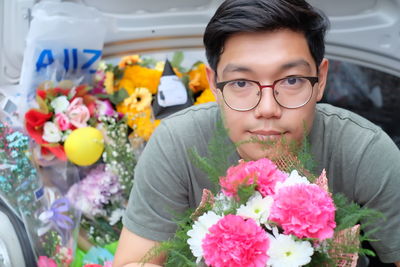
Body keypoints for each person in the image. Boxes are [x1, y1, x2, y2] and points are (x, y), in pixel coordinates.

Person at [113, 0, 400, 266]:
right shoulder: (178, 144)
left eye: (291, 80)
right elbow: (135, 260)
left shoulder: (363, 151)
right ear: (214, 83)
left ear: (320, 79)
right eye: (240, 83)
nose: (267, 108)